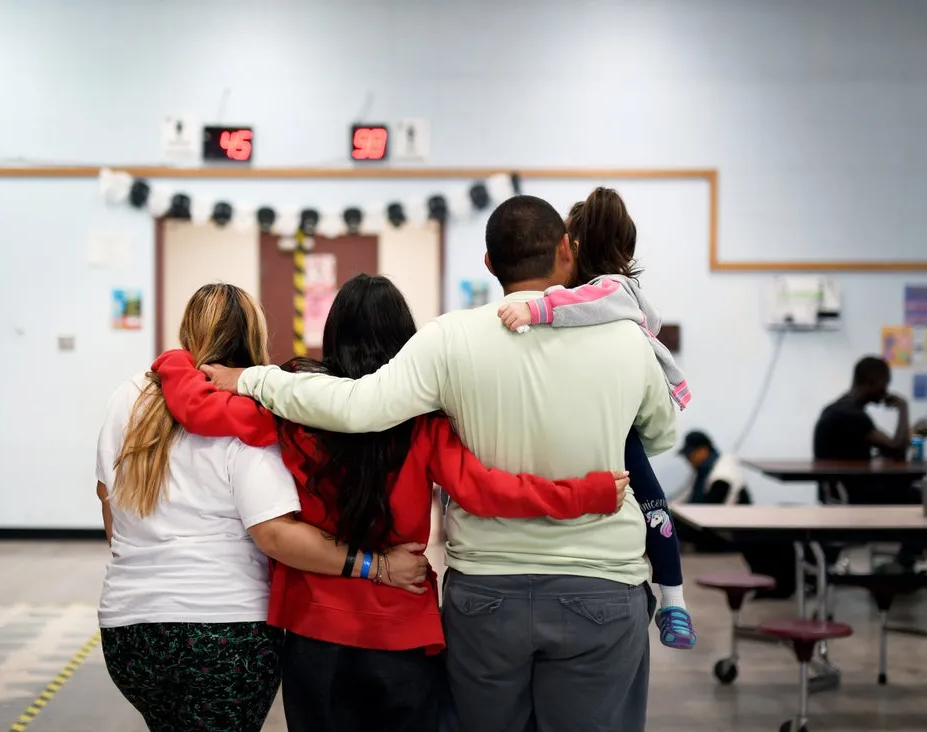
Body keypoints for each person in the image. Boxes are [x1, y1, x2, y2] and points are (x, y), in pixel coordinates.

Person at [198, 196, 678, 732]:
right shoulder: (626, 339)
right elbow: (658, 434)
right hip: (602, 584)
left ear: (490, 264)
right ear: (567, 250)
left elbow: (359, 406)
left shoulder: (448, 339)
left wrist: (253, 378)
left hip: (483, 596)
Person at [96, 283, 430, 732]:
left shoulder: (129, 395)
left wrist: (173, 364)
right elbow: (274, 534)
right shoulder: (260, 405)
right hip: (225, 628)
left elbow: (109, 501)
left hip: (128, 627)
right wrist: (377, 565)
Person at [495, 187, 696, 649]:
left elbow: (579, 303)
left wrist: (533, 308)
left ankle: (675, 601)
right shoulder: (625, 299)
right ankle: (675, 599)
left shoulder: (607, 293)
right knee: (652, 500)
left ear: (572, 247)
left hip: (612, 425)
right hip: (621, 423)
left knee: (651, 501)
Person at [813, 356, 927, 569]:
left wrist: (912, 434)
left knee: (919, 491)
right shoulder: (850, 415)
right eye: (885, 383)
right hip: (856, 494)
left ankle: (912, 561)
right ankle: (908, 564)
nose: (886, 391)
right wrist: (903, 406)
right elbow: (896, 449)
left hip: (846, 489)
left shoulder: (840, 409)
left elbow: (889, 448)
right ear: (873, 380)